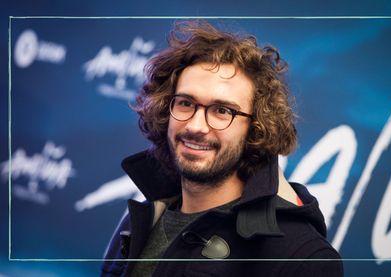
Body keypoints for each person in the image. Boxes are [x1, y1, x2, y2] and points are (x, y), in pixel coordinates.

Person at [101, 20, 343, 277]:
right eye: (185, 103)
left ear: (256, 127)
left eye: (221, 111)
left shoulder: (299, 256)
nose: (196, 126)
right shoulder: (140, 220)